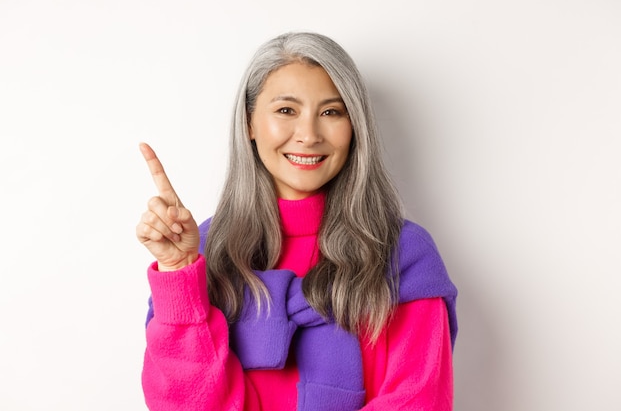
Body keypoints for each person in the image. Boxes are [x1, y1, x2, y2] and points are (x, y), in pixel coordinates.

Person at [136, 31, 458, 411]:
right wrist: (177, 271)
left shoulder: (403, 253)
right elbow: (184, 403)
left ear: (354, 128)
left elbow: (420, 400)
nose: (308, 135)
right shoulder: (204, 251)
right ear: (250, 124)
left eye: (331, 112)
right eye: (286, 111)